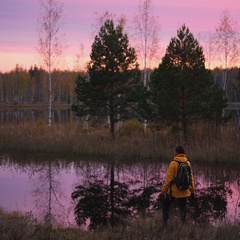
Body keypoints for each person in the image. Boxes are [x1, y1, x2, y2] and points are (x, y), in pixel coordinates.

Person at [161, 146, 195, 224]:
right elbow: (191, 178)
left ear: (176, 153)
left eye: (174, 152)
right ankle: (183, 224)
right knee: (183, 208)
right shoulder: (188, 163)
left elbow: (168, 180)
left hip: (174, 192)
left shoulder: (173, 163)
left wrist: (163, 191)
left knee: (166, 206)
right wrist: (192, 190)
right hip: (185, 190)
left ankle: (165, 224)